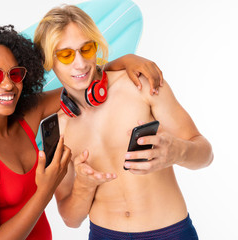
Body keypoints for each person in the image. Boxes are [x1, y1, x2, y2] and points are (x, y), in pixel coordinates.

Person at [0, 23, 165, 240]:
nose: (8, 84)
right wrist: (47, 189)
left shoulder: (25, 114)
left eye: (15, 74)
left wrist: (124, 62)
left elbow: (80, 85)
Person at [34, 4, 213, 240]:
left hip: (170, 232)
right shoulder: (57, 128)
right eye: (65, 55)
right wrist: (85, 185)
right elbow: (70, 219)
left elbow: (205, 154)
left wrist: (177, 151)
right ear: (50, 61)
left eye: (86, 49)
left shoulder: (140, 84)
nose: (80, 63)